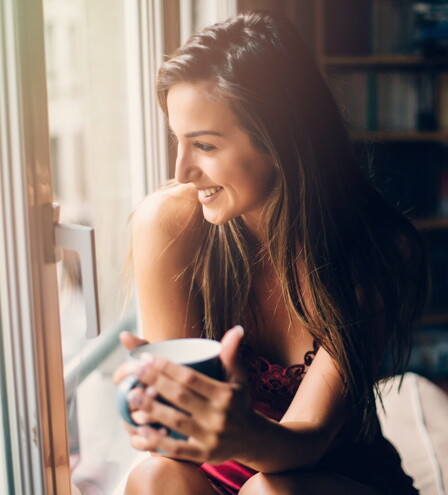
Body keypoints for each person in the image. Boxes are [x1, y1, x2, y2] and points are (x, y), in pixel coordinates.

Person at [113, 10, 427, 495]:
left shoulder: (377, 250)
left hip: (335, 477)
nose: (182, 171)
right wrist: (162, 411)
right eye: (178, 141)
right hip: (224, 476)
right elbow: (173, 449)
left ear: (279, 141)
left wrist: (239, 431)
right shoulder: (170, 226)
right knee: (155, 478)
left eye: (205, 145)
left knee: (271, 492)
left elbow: (309, 440)